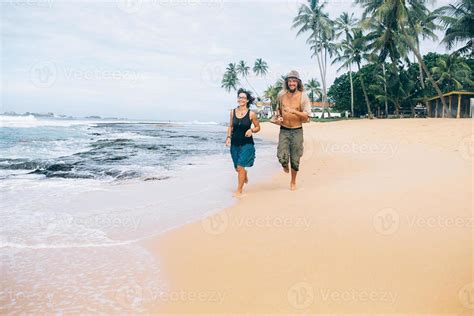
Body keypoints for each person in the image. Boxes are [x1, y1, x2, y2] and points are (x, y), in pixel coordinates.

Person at [274, 70, 311, 191]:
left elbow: (306, 116)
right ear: (287, 82)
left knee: (295, 158)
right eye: (290, 81)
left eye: (294, 81)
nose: (292, 83)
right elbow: (278, 109)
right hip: (284, 129)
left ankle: (293, 181)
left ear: (298, 82)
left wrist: (294, 111)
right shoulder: (281, 95)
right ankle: (285, 165)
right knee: (281, 156)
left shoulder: (303, 96)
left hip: (297, 130)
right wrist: (278, 116)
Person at [225, 88, 261, 197]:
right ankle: (244, 174)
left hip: (247, 144)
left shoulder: (251, 114)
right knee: (237, 168)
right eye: (240, 97)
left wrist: (252, 130)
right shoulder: (232, 112)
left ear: (247, 100)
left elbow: (258, 127)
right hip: (234, 144)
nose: (241, 99)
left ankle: (239, 191)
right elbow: (230, 126)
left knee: (240, 167)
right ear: (237, 99)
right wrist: (228, 137)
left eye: (244, 98)